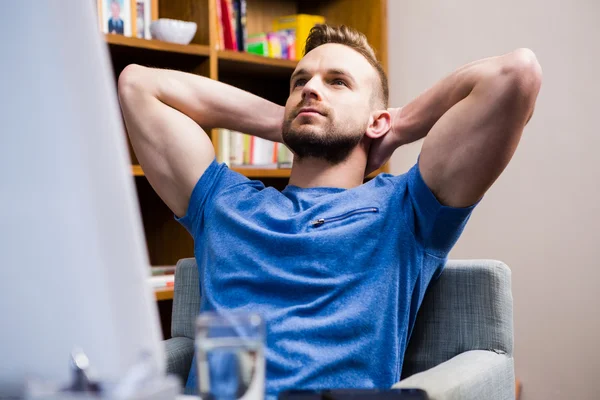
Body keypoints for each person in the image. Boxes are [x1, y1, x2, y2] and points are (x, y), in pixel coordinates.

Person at [117, 24, 542, 397]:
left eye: (338, 82)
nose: (311, 88)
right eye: (300, 81)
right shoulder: (225, 203)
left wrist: (401, 123)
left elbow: (515, 75)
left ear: (376, 120)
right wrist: (283, 119)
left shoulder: (405, 210)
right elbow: (137, 85)